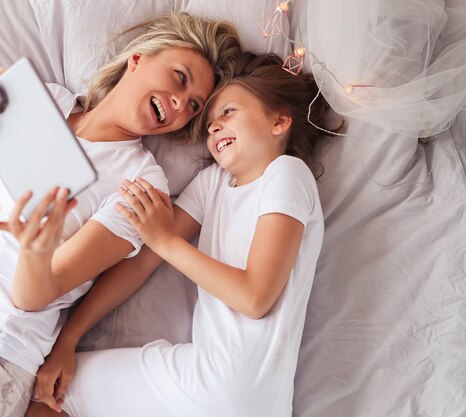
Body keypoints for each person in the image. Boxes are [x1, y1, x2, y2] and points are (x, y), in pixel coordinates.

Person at [0, 12, 241, 417]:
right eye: (179, 77)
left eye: (193, 106)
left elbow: (37, 293)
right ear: (137, 59)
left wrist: (35, 248)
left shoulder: (140, 184)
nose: (180, 103)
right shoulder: (46, 100)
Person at [25, 51, 345, 417]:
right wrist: (68, 338)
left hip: (226, 385)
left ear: (279, 122)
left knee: (54, 395)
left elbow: (255, 297)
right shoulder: (213, 183)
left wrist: (165, 240)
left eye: (228, 112)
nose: (213, 127)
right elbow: (141, 265)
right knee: (58, 390)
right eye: (209, 121)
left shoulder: (287, 173)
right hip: (237, 392)